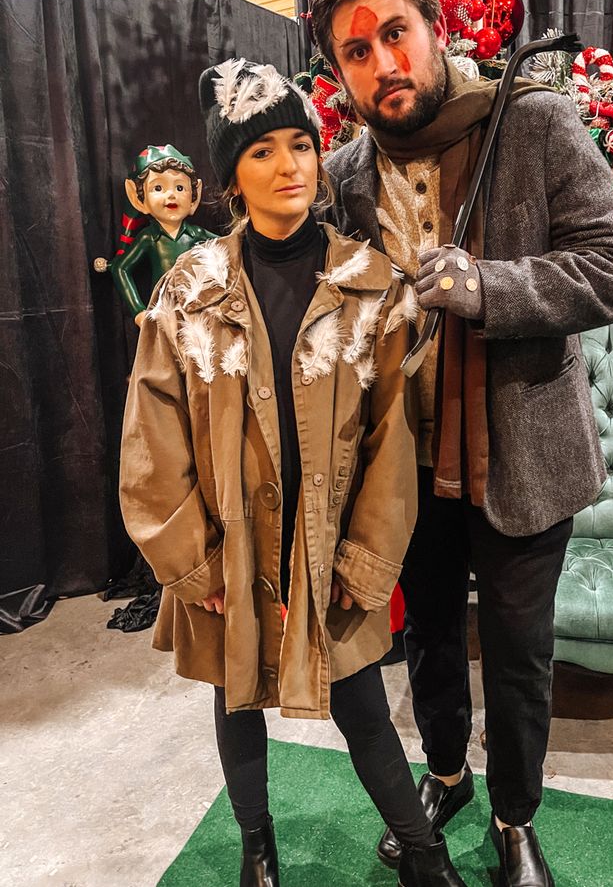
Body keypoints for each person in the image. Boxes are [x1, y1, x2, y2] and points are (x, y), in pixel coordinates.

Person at [310, 0, 613, 887]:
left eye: (395, 34)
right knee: (424, 640)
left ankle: (515, 816)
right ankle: (449, 774)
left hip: (524, 454)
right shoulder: (342, 174)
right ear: (339, 71)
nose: (384, 63)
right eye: (357, 51)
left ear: (434, 26)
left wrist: (490, 285)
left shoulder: (532, 124)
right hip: (402, 463)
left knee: (516, 655)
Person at [119, 58, 467, 887]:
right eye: (263, 151)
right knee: (234, 695)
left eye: (302, 147)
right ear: (231, 176)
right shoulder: (188, 290)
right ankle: (257, 845)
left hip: (330, 547)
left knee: (363, 711)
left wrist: (368, 559)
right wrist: (191, 561)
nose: (290, 168)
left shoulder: (371, 287)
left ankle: (422, 852)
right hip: (226, 549)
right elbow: (151, 435)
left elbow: (394, 438)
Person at [111, 144, 217, 327]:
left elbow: (229, 247)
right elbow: (120, 268)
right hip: (163, 315)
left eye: (180, 188)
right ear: (139, 199)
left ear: (194, 196)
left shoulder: (197, 235)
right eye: (158, 188)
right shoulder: (149, 238)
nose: (171, 195)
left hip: (199, 314)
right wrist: (138, 311)